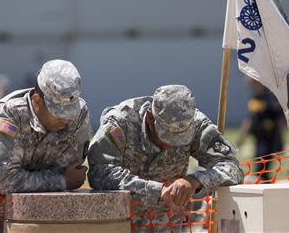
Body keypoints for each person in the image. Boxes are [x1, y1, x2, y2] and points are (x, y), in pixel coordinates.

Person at [0, 60, 92, 233]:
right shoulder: (9, 114)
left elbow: (72, 170)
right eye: (58, 112)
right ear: (37, 100)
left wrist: (8, 178)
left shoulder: (80, 114)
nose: (66, 119)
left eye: (70, 111)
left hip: (37, 212)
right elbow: (3, 179)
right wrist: (61, 181)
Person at [87, 85, 243, 232]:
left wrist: (194, 181)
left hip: (167, 225)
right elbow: (99, 172)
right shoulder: (121, 123)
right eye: (166, 137)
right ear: (149, 118)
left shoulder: (194, 123)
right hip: (120, 226)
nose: (171, 145)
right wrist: (157, 190)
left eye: (180, 140)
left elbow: (232, 167)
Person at [236, 77, 286, 182]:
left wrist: (281, 139)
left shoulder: (271, 98)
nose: (251, 87)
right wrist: (241, 139)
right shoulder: (254, 99)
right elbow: (249, 120)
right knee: (259, 168)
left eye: (253, 84)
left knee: (262, 169)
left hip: (269, 139)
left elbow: (279, 119)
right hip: (258, 139)